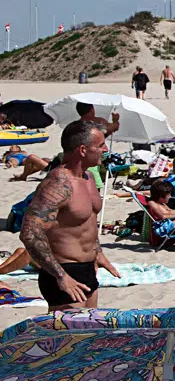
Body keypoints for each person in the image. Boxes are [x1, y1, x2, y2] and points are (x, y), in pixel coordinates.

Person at [20, 121, 120, 310]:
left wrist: (97, 251)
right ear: (83, 150)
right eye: (100, 145)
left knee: (91, 334)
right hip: (64, 272)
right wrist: (61, 276)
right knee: (70, 338)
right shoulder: (58, 184)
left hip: (88, 270)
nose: (105, 149)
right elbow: (29, 233)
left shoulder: (88, 178)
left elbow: (85, 220)